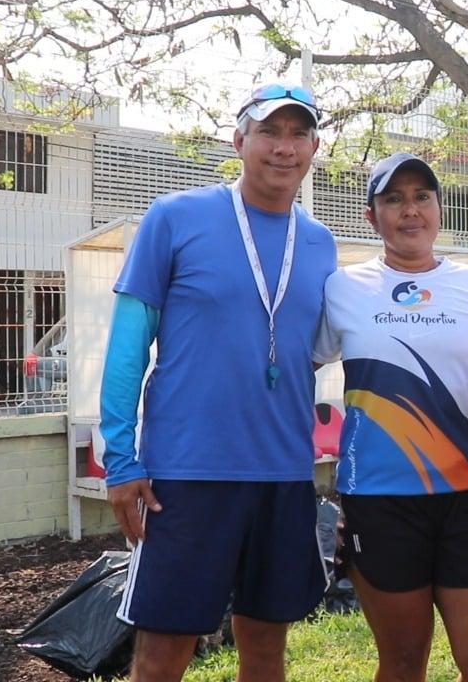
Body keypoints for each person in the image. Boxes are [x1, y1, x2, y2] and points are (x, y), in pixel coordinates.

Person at [99, 82, 337, 682]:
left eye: (298, 134)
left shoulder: (319, 243)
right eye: (268, 132)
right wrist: (121, 460)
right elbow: (127, 345)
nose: (283, 147)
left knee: (265, 647)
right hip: (188, 475)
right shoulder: (175, 218)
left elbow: (306, 354)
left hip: (283, 473)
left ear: (313, 148)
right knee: (162, 655)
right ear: (238, 141)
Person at [313, 152, 468, 682]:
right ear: (371, 216)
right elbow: (297, 368)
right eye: (394, 199)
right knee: (403, 662)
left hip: (466, 495)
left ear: (439, 209)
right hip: (380, 499)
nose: (410, 210)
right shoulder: (342, 287)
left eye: (422, 197)